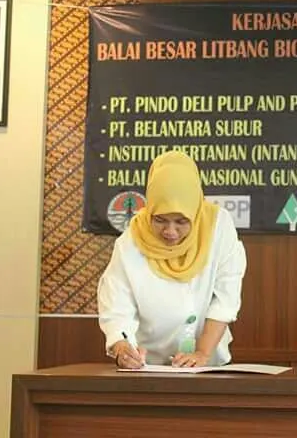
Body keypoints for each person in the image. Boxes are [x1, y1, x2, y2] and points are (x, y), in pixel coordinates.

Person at [98, 151, 247, 369]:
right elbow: (116, 305)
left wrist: (202, 353)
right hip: (149, 365)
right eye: (160, 220)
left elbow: (226, 297)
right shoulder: (131, 239)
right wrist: (123, 348)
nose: (170, 232)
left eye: (181, 221)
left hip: (208, 363)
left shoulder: (218, 226)